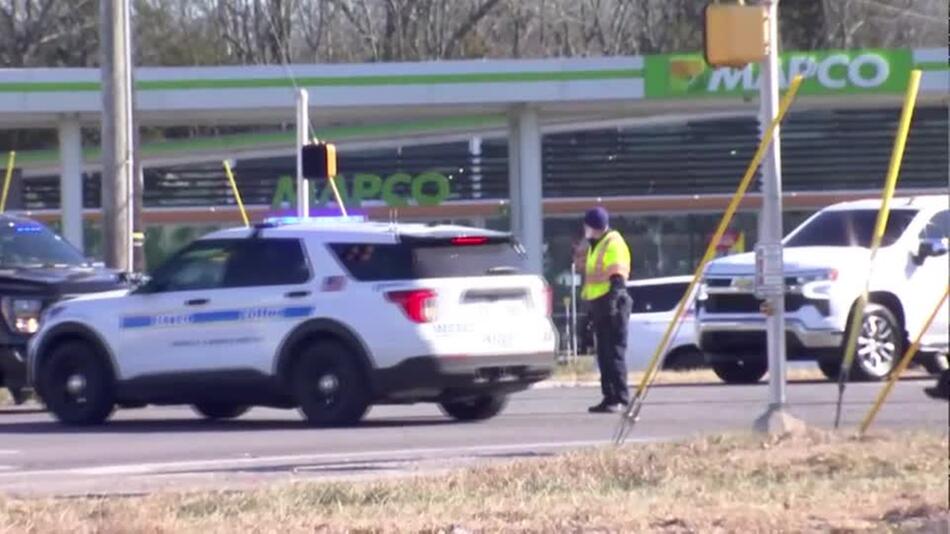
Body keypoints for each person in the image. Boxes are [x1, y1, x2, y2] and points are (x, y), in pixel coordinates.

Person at [581, 207, 632, 413]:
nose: (585, 229)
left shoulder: (613, 243)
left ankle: (620, 398)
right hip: (600, 305)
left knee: (614, 353)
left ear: (594, 227)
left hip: (613, 305)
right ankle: (608, 396)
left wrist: (611, 305)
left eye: (588, 226)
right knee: (603, 354)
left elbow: (617, 278)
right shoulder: (597, 244)